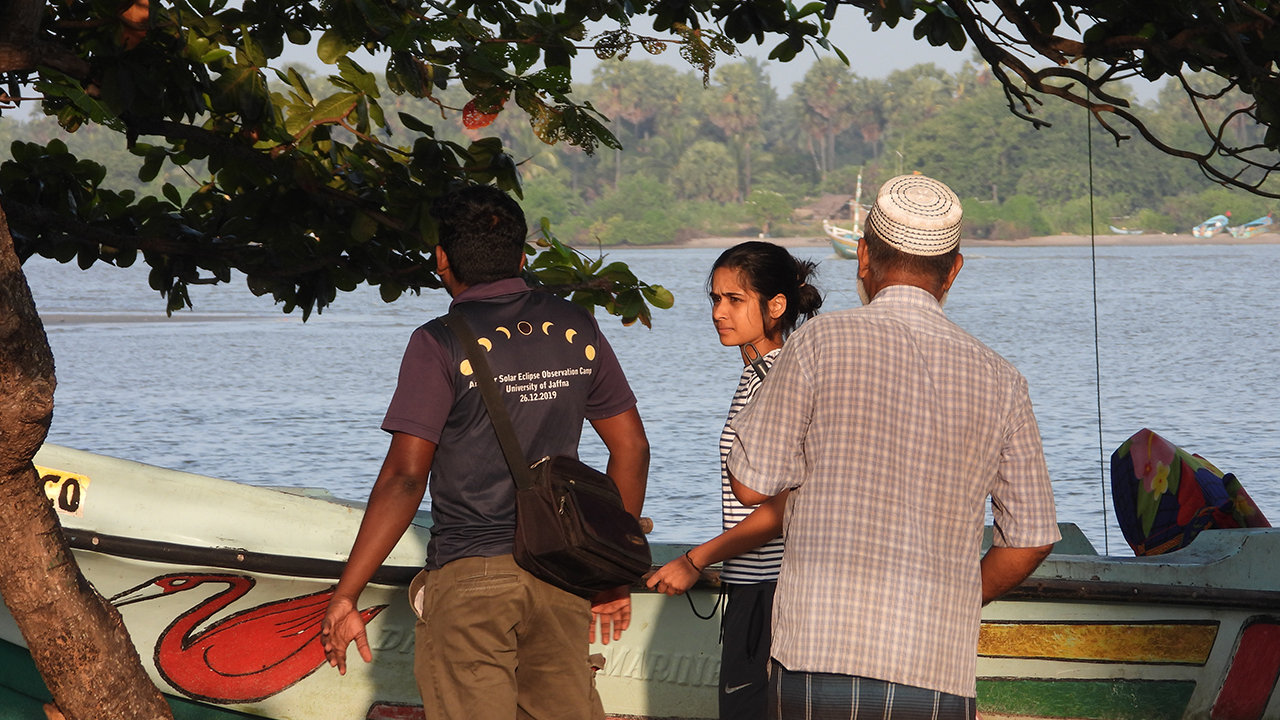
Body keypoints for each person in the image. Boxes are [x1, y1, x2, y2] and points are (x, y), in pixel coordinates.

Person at [726, 175, 1061, 719]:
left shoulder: (816, 343)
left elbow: (750, 484)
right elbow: (1030, 539)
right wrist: (954, 601)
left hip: (818, 651)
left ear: (863, 257)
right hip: (936, 666)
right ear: (954, 270)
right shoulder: (1002, 379)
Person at [320, 185, 649, 720]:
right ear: (523, 257)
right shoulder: (576, 326)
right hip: (560, 574)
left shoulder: (438, 342)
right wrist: (609, 572)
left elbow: (406, 479)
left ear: (441, 259)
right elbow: (631, 449)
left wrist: (346, 595)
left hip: (471, 577)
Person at [647, 241, 822, 720]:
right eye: (715, 299)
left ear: (776, 306)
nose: (719, 312)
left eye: (735, 300)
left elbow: (788, 506)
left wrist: (694, 558)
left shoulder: (777, 380)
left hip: (774, 591)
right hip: (757, 585)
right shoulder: (759, 375)